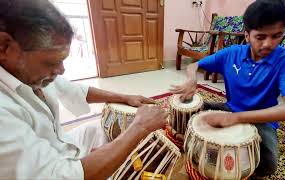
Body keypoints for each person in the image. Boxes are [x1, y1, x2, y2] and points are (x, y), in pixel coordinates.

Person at [0, 0, 168, 179]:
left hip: (61, 144)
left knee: (99, 129)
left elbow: (73, 89)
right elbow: (58, 176)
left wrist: (125, 97)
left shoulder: (28, 73)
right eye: (52, 62)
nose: (61, 70)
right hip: (54, 169)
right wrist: (140, 127)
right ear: (4, 46)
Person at [170, 0, 285, 177]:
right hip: (231, 108)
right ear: (247, 35)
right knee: (188, 107)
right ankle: (200, 140)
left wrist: (235, 118)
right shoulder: (232, 53)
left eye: (277, 36)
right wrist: (192, 80)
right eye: (260, 37)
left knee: (267, 165)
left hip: (262, 120)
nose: (268, 44)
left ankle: (202, 144)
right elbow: (193, 66)